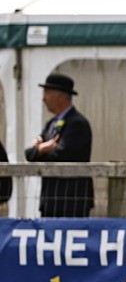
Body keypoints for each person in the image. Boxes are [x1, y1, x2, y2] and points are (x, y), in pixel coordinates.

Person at [24, 73, 94, 218]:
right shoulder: (51, 124)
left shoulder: (77, 124)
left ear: (61, 96)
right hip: (50, 198)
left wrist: (40, 152)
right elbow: (29, 153)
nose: (44, 98)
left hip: (71, 200)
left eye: (47, 93)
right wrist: (41, 149)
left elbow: (61, 154)